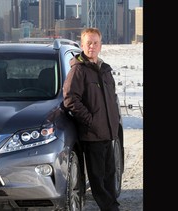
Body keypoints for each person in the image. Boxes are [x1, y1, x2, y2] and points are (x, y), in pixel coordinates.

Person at [62, 28, 120, 211]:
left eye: (95, 42)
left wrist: (114, 121)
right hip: (92, 135)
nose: (92, 46)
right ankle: (110, 208)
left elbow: (111, 99)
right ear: (82, 45)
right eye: (88, 43)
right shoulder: (79, 70)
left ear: (101, 45)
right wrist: (91, 121)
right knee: (98, 179)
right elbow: (70, 99)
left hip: (108, 133)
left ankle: (113, 206)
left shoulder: (104, 70)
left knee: (110, 175)